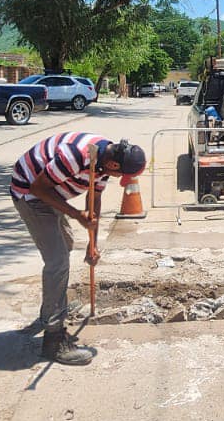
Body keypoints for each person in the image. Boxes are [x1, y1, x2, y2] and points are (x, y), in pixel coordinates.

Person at [10, 132, 147, 366]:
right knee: (58, 261)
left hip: (52, 192)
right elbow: (39, 189)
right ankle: (53, 340)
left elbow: (94, 200)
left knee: (67, 244)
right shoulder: (75, 155)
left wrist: (92, 244)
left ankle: (54, 305)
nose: (117, 178)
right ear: (114, 164)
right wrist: (75, 215)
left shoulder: (103, 161)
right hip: (30, 194)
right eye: (119, 174)